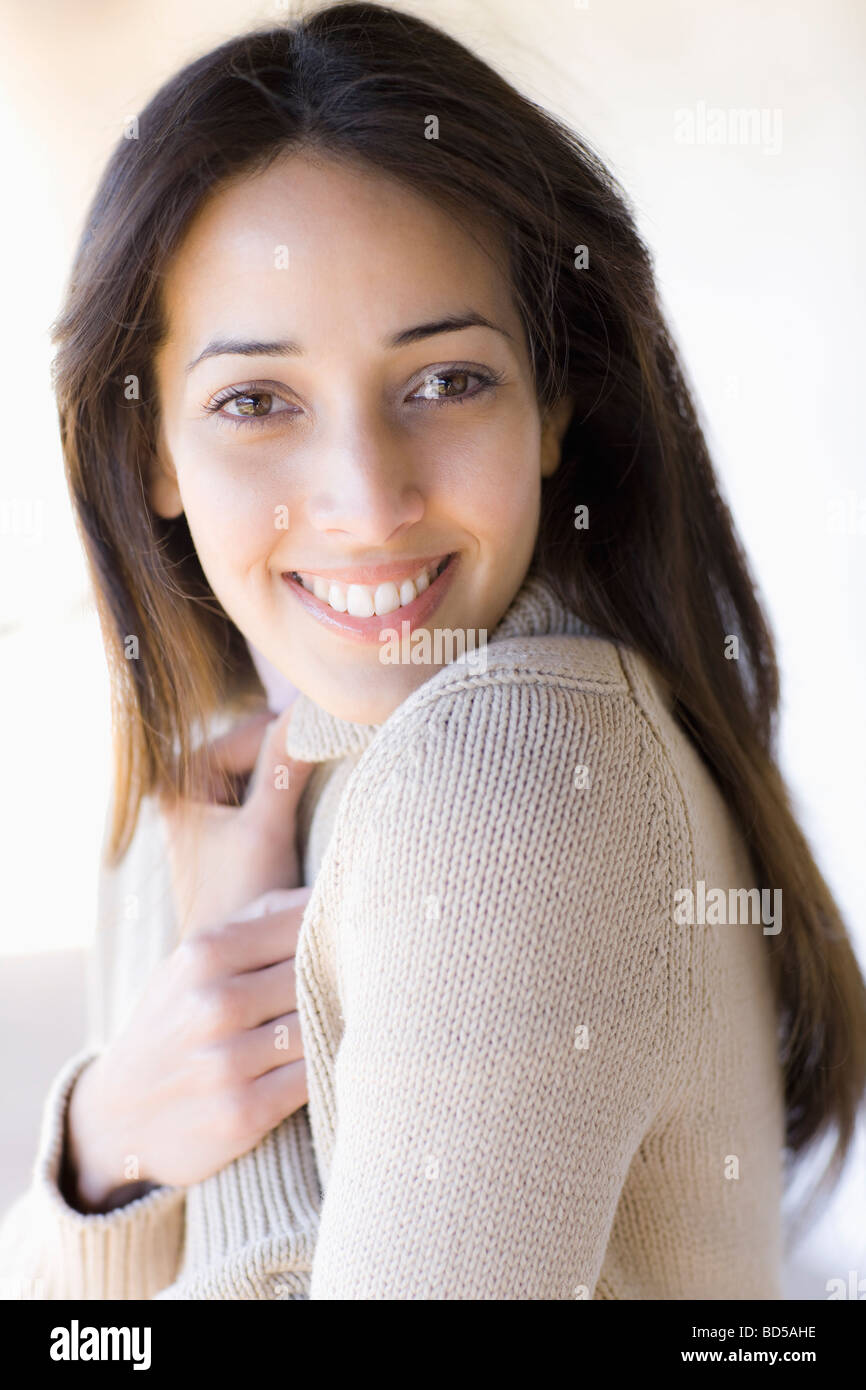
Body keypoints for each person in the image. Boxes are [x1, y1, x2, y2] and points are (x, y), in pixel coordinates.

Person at [1, 1, 863, 1300]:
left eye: (445, 380)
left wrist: (231, 1137)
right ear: (151, 455)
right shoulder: (215, 777)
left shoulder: (511, 773)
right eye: (254, 401)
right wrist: (111, 1140)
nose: (365, 496)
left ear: (553, 404)